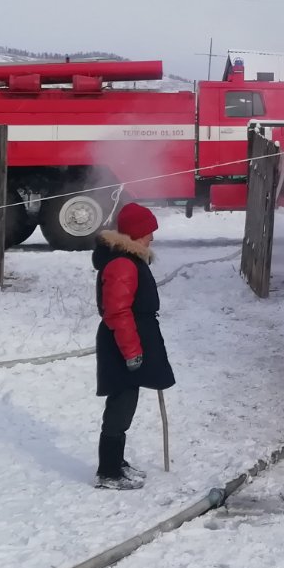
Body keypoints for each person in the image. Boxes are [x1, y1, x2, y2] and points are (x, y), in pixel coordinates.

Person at [92, 202, 175, 490]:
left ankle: (117, 462)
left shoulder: (130, 260)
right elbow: (118, 312)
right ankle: (108, 472)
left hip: (130, 341)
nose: (152, 237)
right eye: (148, 231)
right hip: (121, 344)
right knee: (120, 406)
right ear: (137, 233)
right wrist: (132, 351)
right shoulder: (123, 264)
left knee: (126, 405)